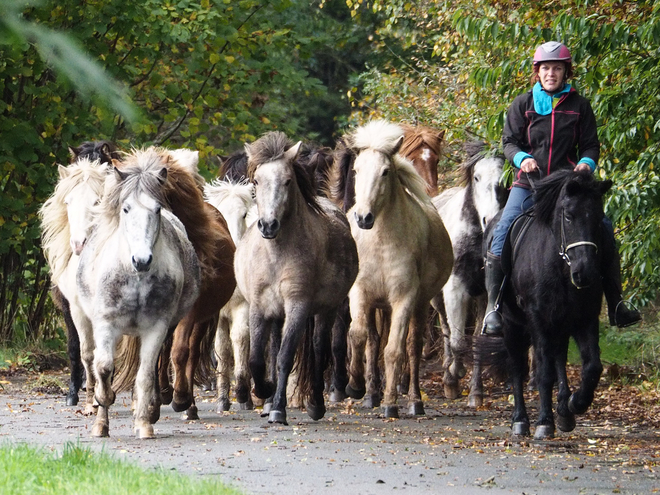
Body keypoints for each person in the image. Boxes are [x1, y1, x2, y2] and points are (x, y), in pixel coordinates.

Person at [482, 41, 641, 336]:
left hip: (569, 187)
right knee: (502, 231)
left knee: (604, 228)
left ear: (566, 72)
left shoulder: (580, 106)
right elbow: (509, 142)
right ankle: (494, 307)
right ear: (537, 72)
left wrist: (585, 165)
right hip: (529, 184)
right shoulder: (523, 104)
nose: (551, 73)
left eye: (557, 68)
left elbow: (591, 145)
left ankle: (617, 303)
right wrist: (522, 158)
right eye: (546, 68)